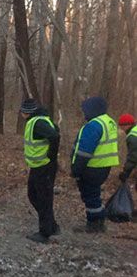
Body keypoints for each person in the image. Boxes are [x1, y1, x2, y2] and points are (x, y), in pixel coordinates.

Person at [71, 96, 119, 233]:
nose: (84, 113)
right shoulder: (109, 122)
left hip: (92, 167)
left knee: (89, 195)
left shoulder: (93, 125)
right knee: (94, 193)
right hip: (104, 166)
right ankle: (99, 220)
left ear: (92, 109)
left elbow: (84, 152)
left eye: (85, 110)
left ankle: (94, 223)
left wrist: (76, 169)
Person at [20, 99, 61, 244]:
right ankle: (52, 225)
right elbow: (56, 130)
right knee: (33, 195)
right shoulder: (39, 120)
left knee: (43, 199)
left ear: (27, 112)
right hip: (38, 166)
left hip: (45, 166)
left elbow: (55, 136)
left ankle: (45, 233)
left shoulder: (38, 122)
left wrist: (51, 155)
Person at [118, 113, 136, 191]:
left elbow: (133, 157)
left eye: (121, 127)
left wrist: (125, 172)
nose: (121, 129)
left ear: (126, 125)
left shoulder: (132, 136)